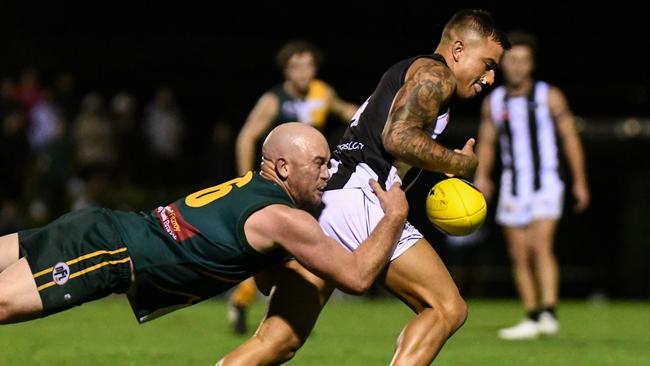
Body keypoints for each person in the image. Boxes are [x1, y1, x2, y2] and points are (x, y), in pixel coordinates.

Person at [218, 9, 510, 366]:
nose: (491, 78)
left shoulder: (414, 71)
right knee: (446, 307)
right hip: (360, 197)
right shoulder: (436, 74)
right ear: (460, 49)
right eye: (488, 63)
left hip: (327, 201)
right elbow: (399, 138)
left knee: (279, 341)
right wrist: (461, 163)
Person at [0, 124, 408, 345]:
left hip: (102, 231)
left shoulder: (253, 189)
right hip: (108, 251)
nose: (328, 172)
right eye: (319, 163)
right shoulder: (285, 219)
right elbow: (356, 277)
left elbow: (265, 283)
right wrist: (393, 216)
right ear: (283, 167)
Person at [230, 39, 358, 334]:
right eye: (296, 66)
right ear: (286, 70)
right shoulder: (274, 100)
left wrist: (375, 116)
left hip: (310, 186)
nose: (304, 72)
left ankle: (274, 308)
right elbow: (246, 137)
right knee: (275, 248)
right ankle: (248, 301)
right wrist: (245, 181)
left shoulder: (321, 93)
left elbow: (347, 110)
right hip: (280, 187)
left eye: (308, 65)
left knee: (296, 247)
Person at [473, 31, 590, 340]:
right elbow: (487, 143)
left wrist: (579, 181)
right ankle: (532, 315)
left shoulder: (549, 96)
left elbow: (570, 139)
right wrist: (482, 175)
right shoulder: (494, 102)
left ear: (532, 64)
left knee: (540, 245)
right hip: (513, 185)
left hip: (546, 181)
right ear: (502, 63)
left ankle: (549, 311)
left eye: (524, 60)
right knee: (518, 253)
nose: (517, 66)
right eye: (512, 60)